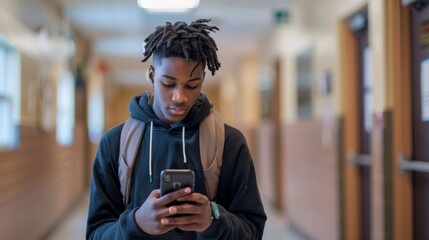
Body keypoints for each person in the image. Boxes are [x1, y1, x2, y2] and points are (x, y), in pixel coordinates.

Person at [86, 19, 266, 240]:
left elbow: (252, 232)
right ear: (152, 76)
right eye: (168, 84)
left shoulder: (229, 142)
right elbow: (96, 234)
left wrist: (213, 219)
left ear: (202, 79)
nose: (180, 97)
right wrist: (136, 224)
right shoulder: (114, 144)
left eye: (192, 85)